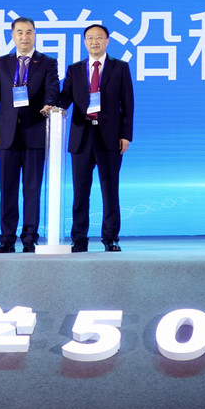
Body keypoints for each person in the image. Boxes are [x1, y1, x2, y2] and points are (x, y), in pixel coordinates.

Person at [0, 17, 60, 253]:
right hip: (6, 135)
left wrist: (50, 103)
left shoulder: (47, 62)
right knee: (7, 189)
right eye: (20, 32)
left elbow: (52, 89)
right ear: (12, 35)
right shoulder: (1, 63)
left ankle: (30, 238)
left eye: (29, 32)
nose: (24, 37)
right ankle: (6, 239)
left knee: (32, 189)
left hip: (35, 132)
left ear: (35, 34)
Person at [57, 23, 134, 252]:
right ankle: (79, 238)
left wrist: (125, 135)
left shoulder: (120, 67)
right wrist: (54, 107)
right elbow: (66, 97)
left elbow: (128, 104)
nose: (94, 42)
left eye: (99, 37)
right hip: (81, 137)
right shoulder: (75, 69)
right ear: (84, 42)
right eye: (90, 38)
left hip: (110, 137)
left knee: (110, 190)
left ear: (107, 41)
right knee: (80, 192)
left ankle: (110, 238)